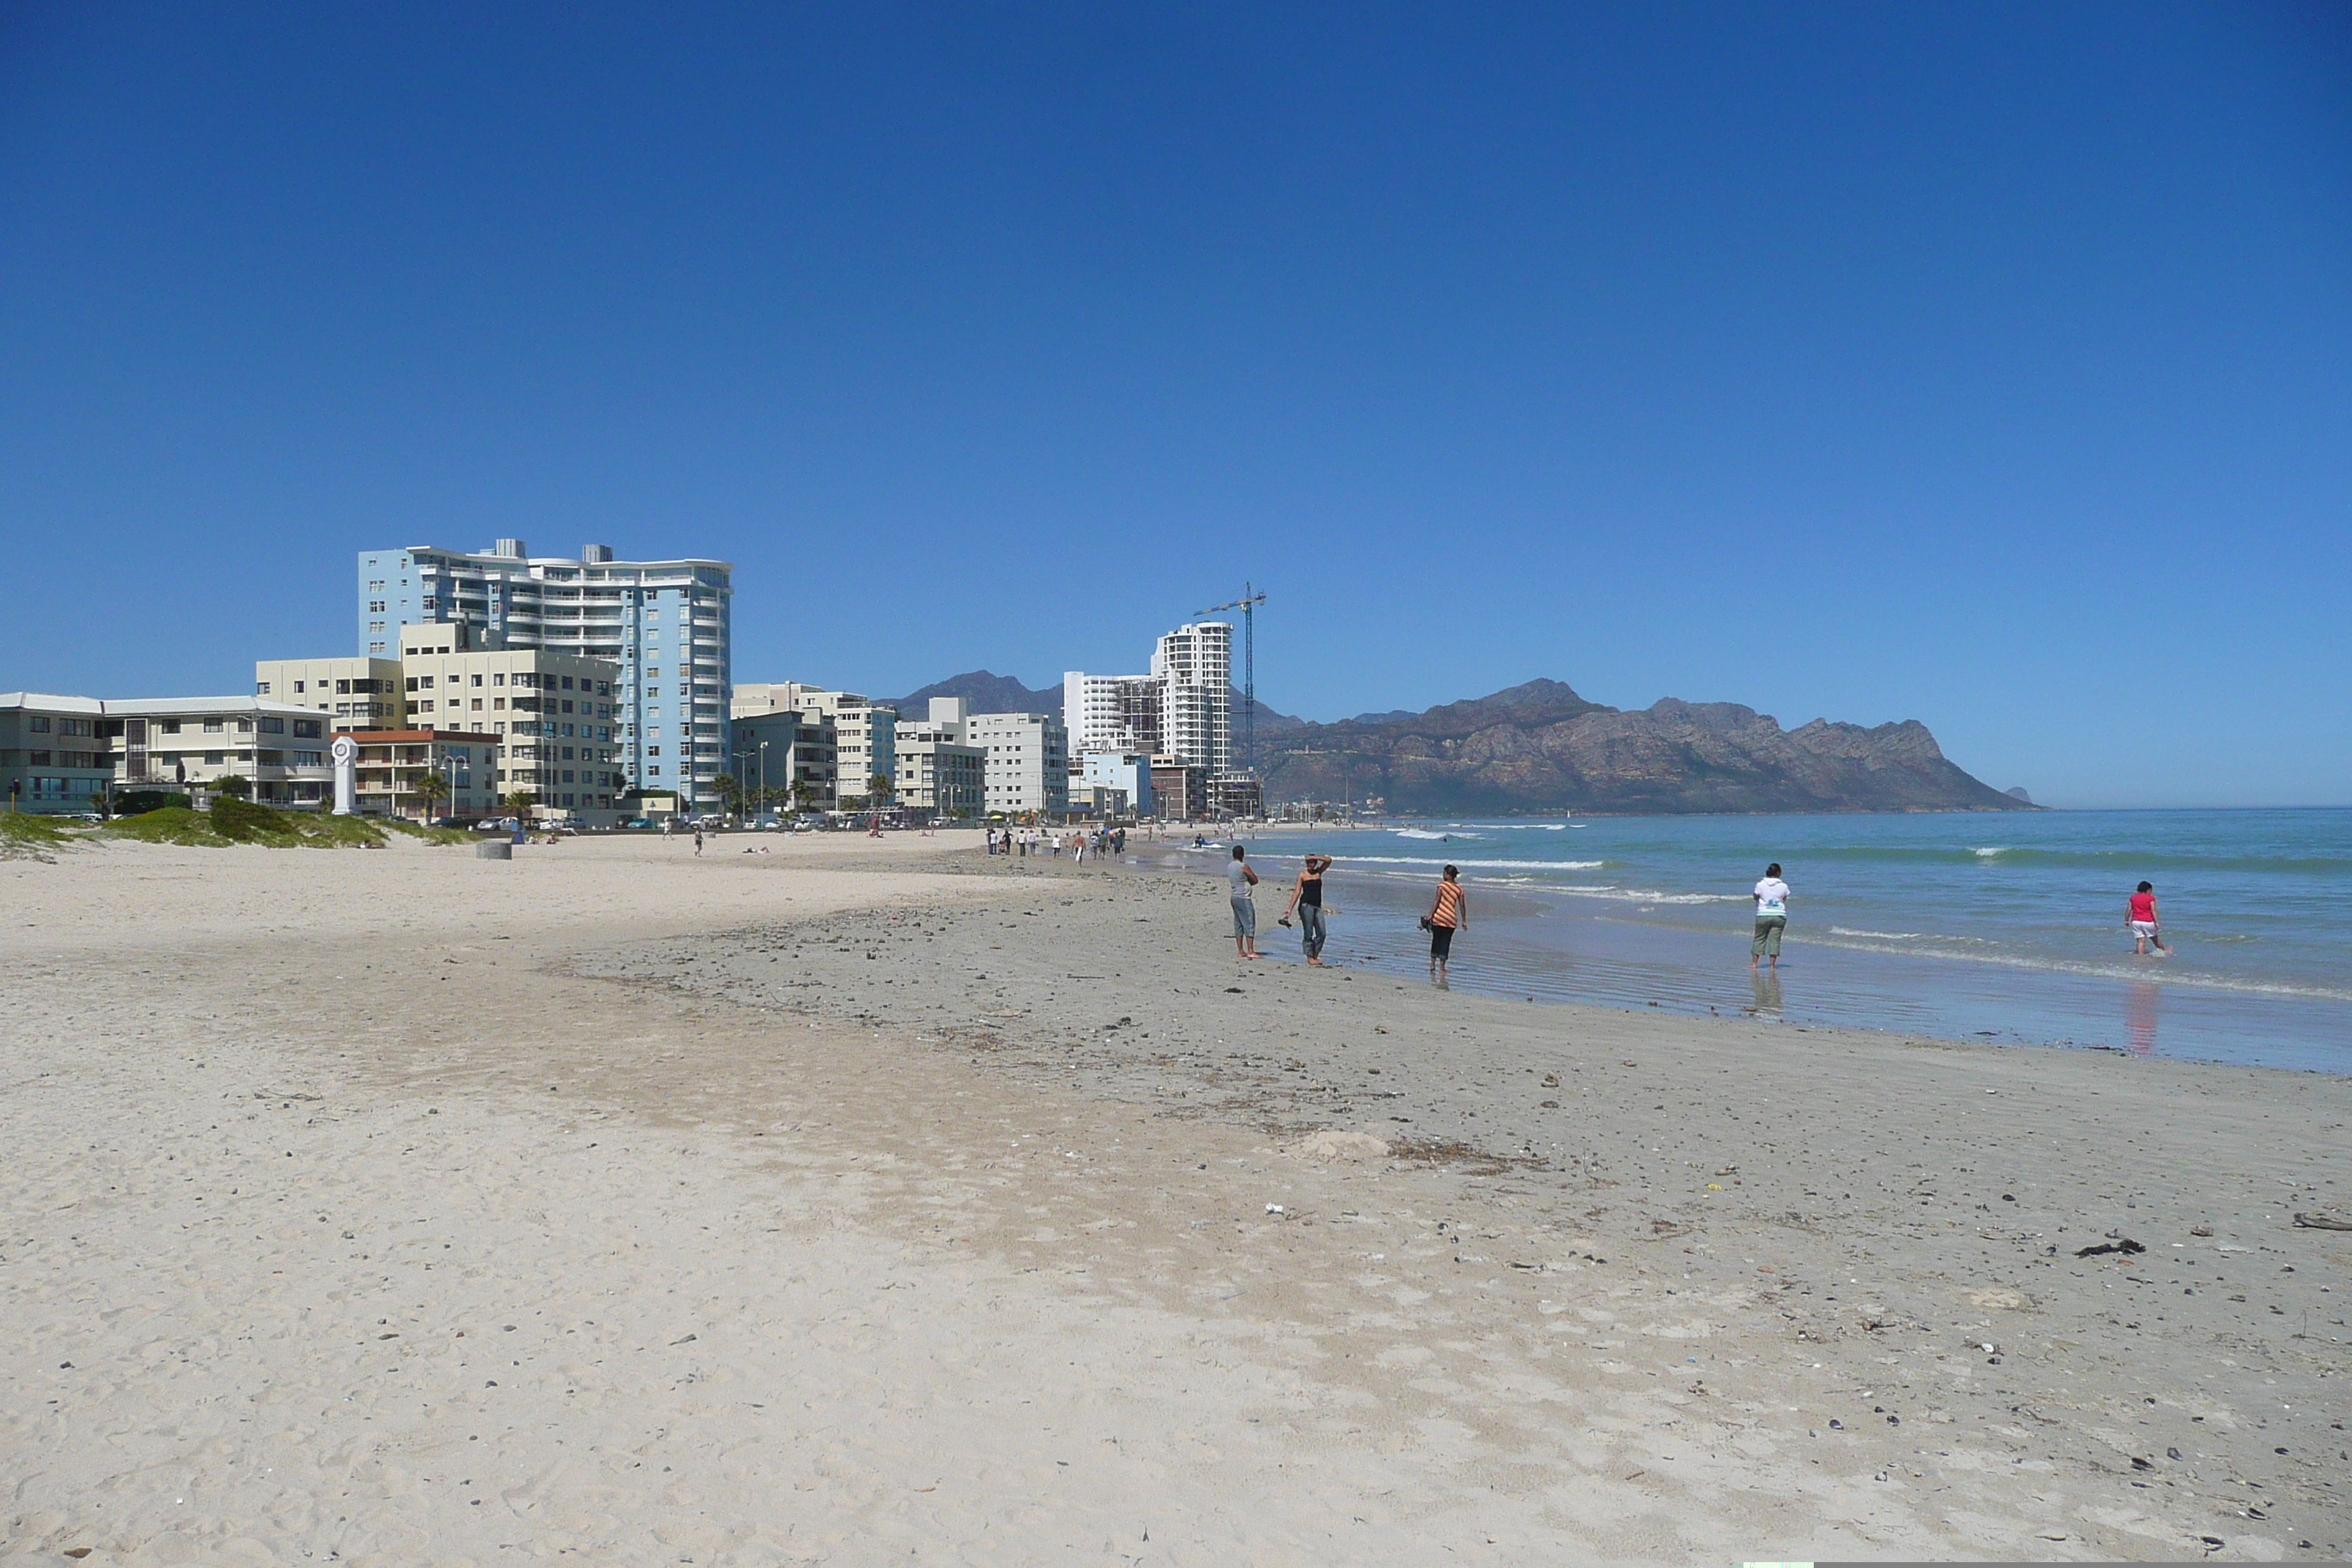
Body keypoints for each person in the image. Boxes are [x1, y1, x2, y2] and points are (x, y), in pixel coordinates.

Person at [1282, 853, 1338, 965]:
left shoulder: (1318, 872)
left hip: (1318, 906)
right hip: (1306, 906)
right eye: (1308, 862)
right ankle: (1310, 958)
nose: (1310, 864)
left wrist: (1315, 857)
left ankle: (1315, 955)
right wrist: (1290, 909)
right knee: (1308, 932)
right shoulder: (1302, 875)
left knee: (1322, 933)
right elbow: (1297, 892)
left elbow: (1329, 861)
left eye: (1312, 862)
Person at [1425, 864, 1466, 984]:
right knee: (1445, 943)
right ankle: (1442, 968)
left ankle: (1432, 964)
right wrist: (1464, 920)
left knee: (1436, 940)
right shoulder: (1459, 889)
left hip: (1439, 917)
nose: (1443, 875)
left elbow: (1437, 900)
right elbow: (1462, 905)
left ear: (1448, 875)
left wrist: (1431, 915)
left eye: (1444, 873)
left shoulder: (1441, 886)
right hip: (1450, 920)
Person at [1751, 862, 1790, 971]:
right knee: (1775, 940)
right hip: (1779, 915)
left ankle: (1754, 963)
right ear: (1778, 873)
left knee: (1759, 938)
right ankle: (1772, 965)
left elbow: (1755, 896)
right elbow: (1784, 898)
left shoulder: (1760, 884)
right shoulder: (1783, 886)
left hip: (1763, 914)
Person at [1227, 844, 1261, 959]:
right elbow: (1255, 880)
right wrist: (1249, 882)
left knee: (1238, 923)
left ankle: (1241, 950)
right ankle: (1251, 950)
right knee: (1249, 922)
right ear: (1242, 855)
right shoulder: (1243, 866)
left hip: (1234, 896)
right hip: (1243, 897)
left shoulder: (1230, 866)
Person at [2128, 881, 2171, 957]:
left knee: (2141, 941)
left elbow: (2129, 909)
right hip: (2148, 921)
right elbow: (2153, 910)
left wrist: (2126, 920)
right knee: (2155, 938)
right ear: (2148, 890)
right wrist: (2157, 922)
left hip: (2136, 921)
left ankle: (2140, 956)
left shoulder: (2133, 897)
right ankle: (2164, 951)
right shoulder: (2151, 898)